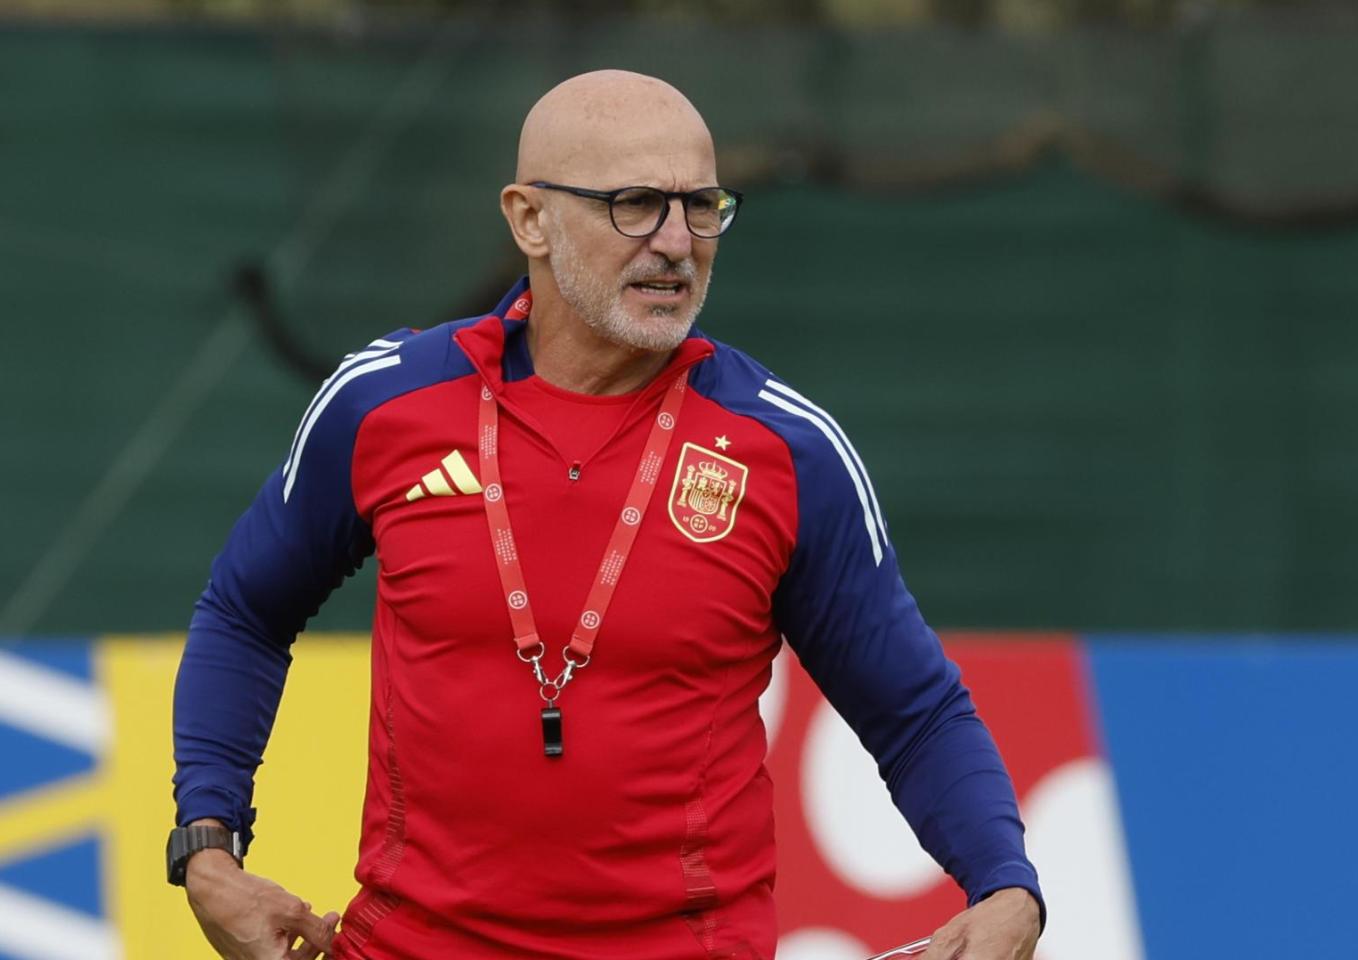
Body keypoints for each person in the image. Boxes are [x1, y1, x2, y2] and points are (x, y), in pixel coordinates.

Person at [170, 70, 1044, 960]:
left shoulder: (788, 452)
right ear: (528, 219)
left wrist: (1006, 885)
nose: (677, 241)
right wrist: (207, 845)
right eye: (635, 204)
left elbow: (915, 709)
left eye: (702, 206)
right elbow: (245, 610)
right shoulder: (386, 404)